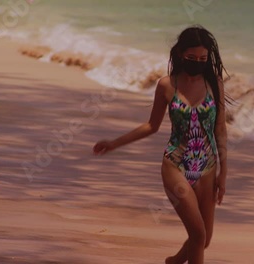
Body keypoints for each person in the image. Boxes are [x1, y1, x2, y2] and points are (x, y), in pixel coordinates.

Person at [92, 25, 229, 264]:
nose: (197, 62)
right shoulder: (167, 85)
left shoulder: (214, 83)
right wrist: (114, 143)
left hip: (208, 168)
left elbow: (220, 129)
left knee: (204, 239)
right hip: (175, 165)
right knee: (197, 234)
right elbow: (151, 126)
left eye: (202, 59)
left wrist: (223, 173)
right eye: (191, 58)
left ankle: (174, 262)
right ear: (179, 54)